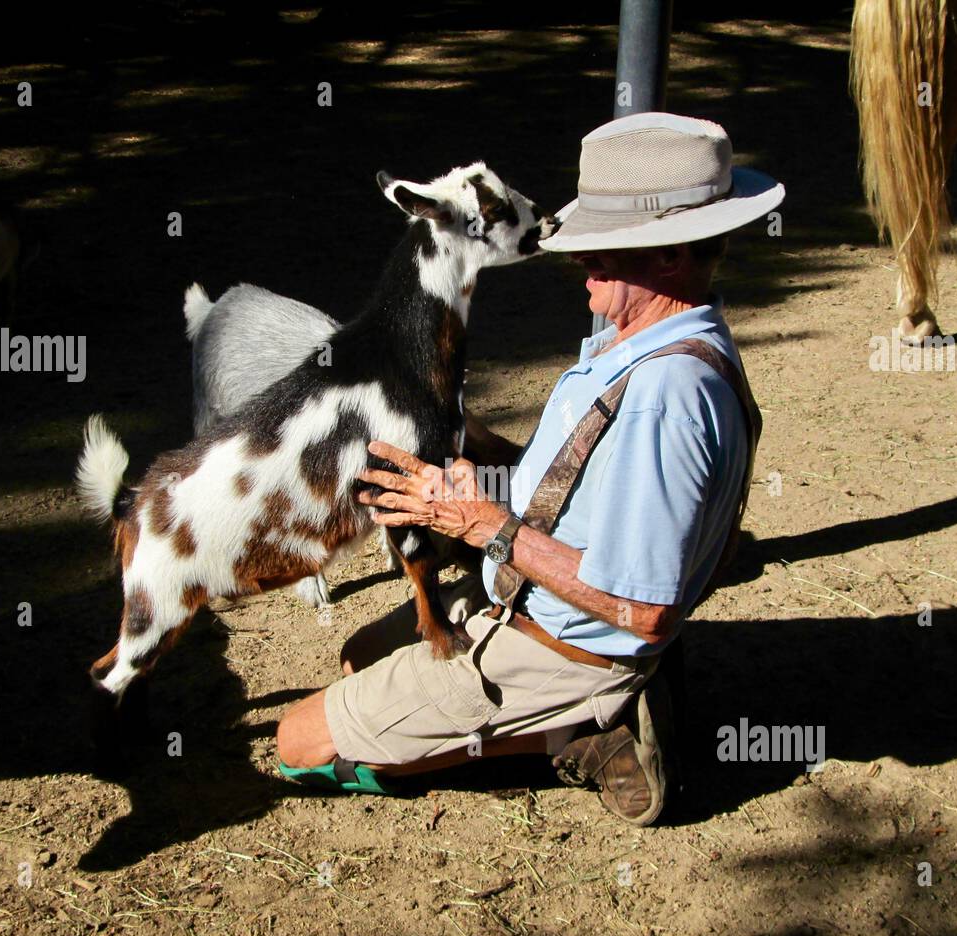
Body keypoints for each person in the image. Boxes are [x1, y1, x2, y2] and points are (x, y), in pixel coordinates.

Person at [276, 113, 782, 825]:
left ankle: (580, 727)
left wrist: (483, 523)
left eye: (607, 249)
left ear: (671, 255)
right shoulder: (653, 334)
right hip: (524, 591)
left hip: (564, 644)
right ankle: (556, 720)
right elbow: (584, 481)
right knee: (357, 657)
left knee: (295, 743)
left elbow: (646, 605)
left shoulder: (665, 396)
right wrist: (463, 467)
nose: (580, 259)